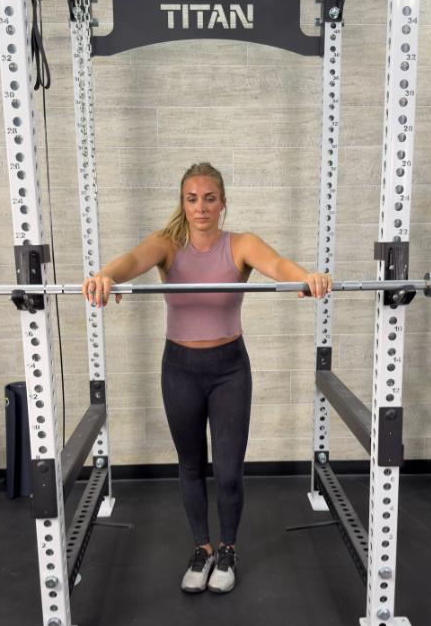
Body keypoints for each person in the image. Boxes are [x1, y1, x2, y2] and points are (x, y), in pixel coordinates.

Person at [81, 162, 331, 594]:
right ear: (183, 203)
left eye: (209, 199)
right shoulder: (167, 244)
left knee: (229, 471)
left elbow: (277, 265)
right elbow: (132, 260)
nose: (201, 207)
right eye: (192, 199)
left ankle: (228, 549)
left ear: (222, 203)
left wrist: (306, 278)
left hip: (229, 370)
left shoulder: (240, 245)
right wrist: (106, 276)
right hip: (179, 370)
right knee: (191, 465)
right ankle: (202, 549)